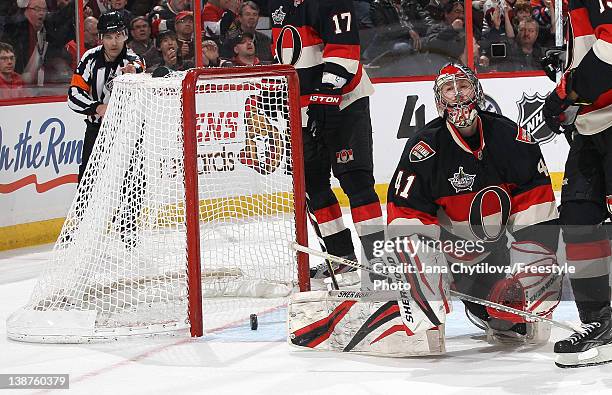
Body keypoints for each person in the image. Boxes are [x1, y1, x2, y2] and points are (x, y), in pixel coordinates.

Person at [386, 63, 561, 343]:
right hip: (443, 258)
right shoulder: (424, 149)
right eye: (448, 88)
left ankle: (485, 308)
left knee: (517, 314)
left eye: (463, 85)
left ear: (477, 90)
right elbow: (405, 219)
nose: (456, 94)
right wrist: (421, 278)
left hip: (489, 260)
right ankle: (422, 321)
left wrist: (532, 280)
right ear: (438, 99)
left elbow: (537, 214)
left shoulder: (512, 140)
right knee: (416, 272)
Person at [270, 0, 383, 285]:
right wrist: (276, 92)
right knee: (314, 186)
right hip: (306, 108)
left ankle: (378, 261)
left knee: (356, 182)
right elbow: (288, 57)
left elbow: (344, 51)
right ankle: (341, 260)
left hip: (343, 101)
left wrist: (325, 94)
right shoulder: (277, 5)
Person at [542, 0, 612, 369]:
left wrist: (565, 92)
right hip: (590, 124)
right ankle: (600, 322)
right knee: (578, 215)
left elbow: (611, 49)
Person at [68, 11, 144, 184]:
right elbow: (74, 95)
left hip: (127, 131)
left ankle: (129, 212)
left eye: (119, 36)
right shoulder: (90, 59)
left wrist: (133, 72)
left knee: (134, 181)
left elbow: (139, 67)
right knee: (88, 182)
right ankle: (85, 212)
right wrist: (98, 107)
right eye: (109, 37)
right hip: (97, 130)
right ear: (101, 38)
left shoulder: (132, 60)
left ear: (125, 36)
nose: (114, 42)